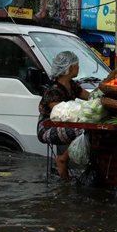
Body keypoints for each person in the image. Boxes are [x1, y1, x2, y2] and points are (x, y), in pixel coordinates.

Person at [37, 51, 90, 180]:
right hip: (47, 128)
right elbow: (60, 114)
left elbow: (90, 97)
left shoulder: (72, 85)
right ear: (70, 68)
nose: (78, 68)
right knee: (83, 130)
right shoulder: (53, 91)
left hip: (64, 125)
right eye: (77, 65)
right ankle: (62, 159)